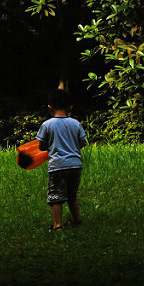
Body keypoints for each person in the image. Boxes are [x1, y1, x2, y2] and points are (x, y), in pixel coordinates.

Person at [36, 88, 88, 231]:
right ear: (70, 107)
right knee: (72, 195)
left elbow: (41, 146)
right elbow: (82, 143)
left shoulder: (47, 125)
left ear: (50, 108)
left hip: (58, 165)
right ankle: (77, 220)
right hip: (76, 165)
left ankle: (57, 225)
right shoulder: (75, 124)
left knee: (55, 196)